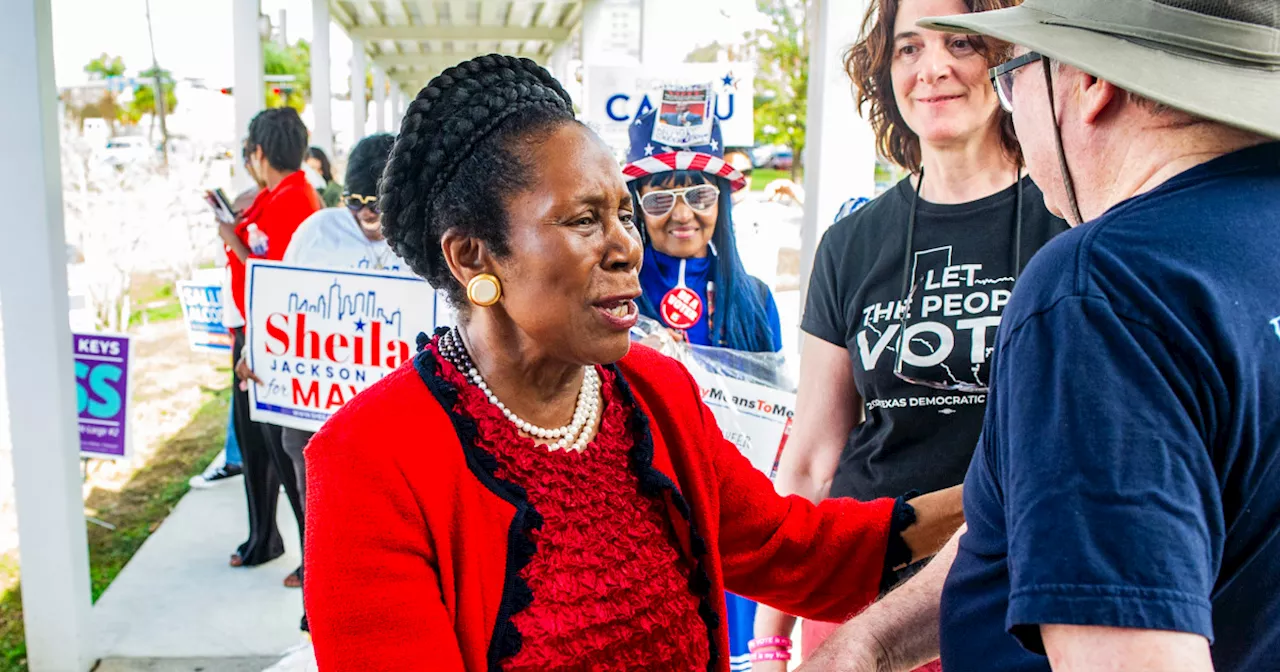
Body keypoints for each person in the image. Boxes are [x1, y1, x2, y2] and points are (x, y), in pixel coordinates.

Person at [302, 54, 963, 671]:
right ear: (473, 256)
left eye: (623, 212)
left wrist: (993, 499)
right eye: (586, 220)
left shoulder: (656, 393)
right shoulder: (367, 458)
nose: (627, 247)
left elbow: (795, 550)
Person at [801, 2, 1280, 671]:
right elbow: (1052, 524)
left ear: (1089, 81)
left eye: (1012, 72)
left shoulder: (1101, 284)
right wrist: (871, 640)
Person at [752, 0, 1068, 667]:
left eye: (962, 43)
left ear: (1009, 57)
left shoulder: (1068, 221)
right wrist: (768, 638)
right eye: (908, 49)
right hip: (861, 595)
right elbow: (810, 458)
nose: (933, 69)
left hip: (1013, 600)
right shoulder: (851, 244)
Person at [236, 132, 405, 628]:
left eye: (378, 205)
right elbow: (281, 302)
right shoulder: (317, 231)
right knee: (321, 518)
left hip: (392, 421)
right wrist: (256, 353)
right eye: (356, 204)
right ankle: (326, 612)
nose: (367, 217)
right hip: (315, 417)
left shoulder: (424, 233)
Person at [219, 107, 320, 579]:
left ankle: (304, 555)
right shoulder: (277, 194)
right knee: (256, 446)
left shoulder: (293, 200)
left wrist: (231, 239)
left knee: (283, 454)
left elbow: (276, 281)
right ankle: (265, 538)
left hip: (268, 342)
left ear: (259, 152)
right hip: (250, 333)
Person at [623, 107, 782, 354]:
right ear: (638, 207)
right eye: (660, 200)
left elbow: (775, 388)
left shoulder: (756, 299)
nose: (683, 215)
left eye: (700, 196)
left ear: (722, 203)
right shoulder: (613, 298)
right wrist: (633, 363)